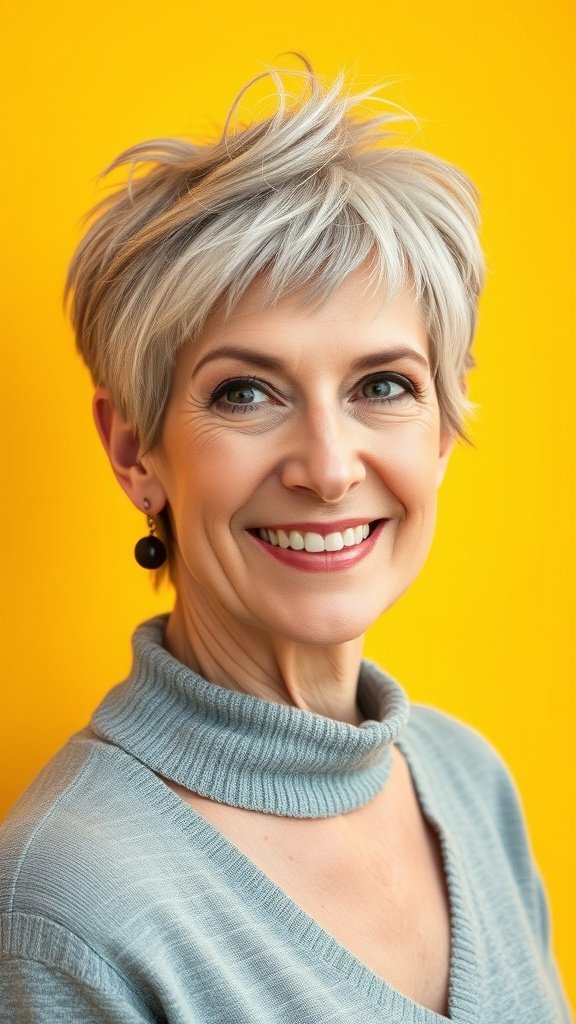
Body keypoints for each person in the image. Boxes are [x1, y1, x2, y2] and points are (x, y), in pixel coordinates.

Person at [0, 58, 570, 1024]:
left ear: (443, 423)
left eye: (382, 385)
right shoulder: (69, 907)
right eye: (246, 392)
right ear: (135, 448)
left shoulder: (471, 780)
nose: (329, 465)